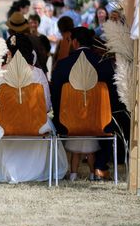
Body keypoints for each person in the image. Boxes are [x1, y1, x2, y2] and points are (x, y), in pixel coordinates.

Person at [0, 34, 67, 183]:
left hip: (3, 125)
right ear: (30, 51)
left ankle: (4, 170)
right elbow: (46, 106)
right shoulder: (39, 73)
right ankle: (34, 170)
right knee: (46, 125)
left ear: (9, 52)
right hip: (35, 125)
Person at [51, 27, 119, 179]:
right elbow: (113, 97)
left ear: (74, 42)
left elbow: (55, 96)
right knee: (109, 119)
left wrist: (61, 116)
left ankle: (74, 170)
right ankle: (100, 166)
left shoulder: (62, 65)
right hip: (101, 122)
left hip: (67, 122)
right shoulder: (104, 64)